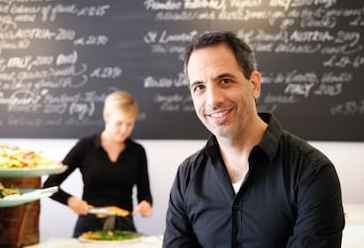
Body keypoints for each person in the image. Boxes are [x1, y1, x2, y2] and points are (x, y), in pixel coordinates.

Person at [163, 31, 345, 247]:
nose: (213, 99)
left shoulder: (311, 172)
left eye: (225, 80)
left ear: (254, 85)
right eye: (199, 87)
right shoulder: (188, 176)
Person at [43, 90, 153, 237]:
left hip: (125, 227)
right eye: (119, 123)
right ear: (106, 116)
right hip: (88, 226)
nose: (124, 130)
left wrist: (146, 204)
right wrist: (70, 201)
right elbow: (49, 185)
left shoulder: (138, 151)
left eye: (129, 124)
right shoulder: (85, 147)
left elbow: (144, 193)